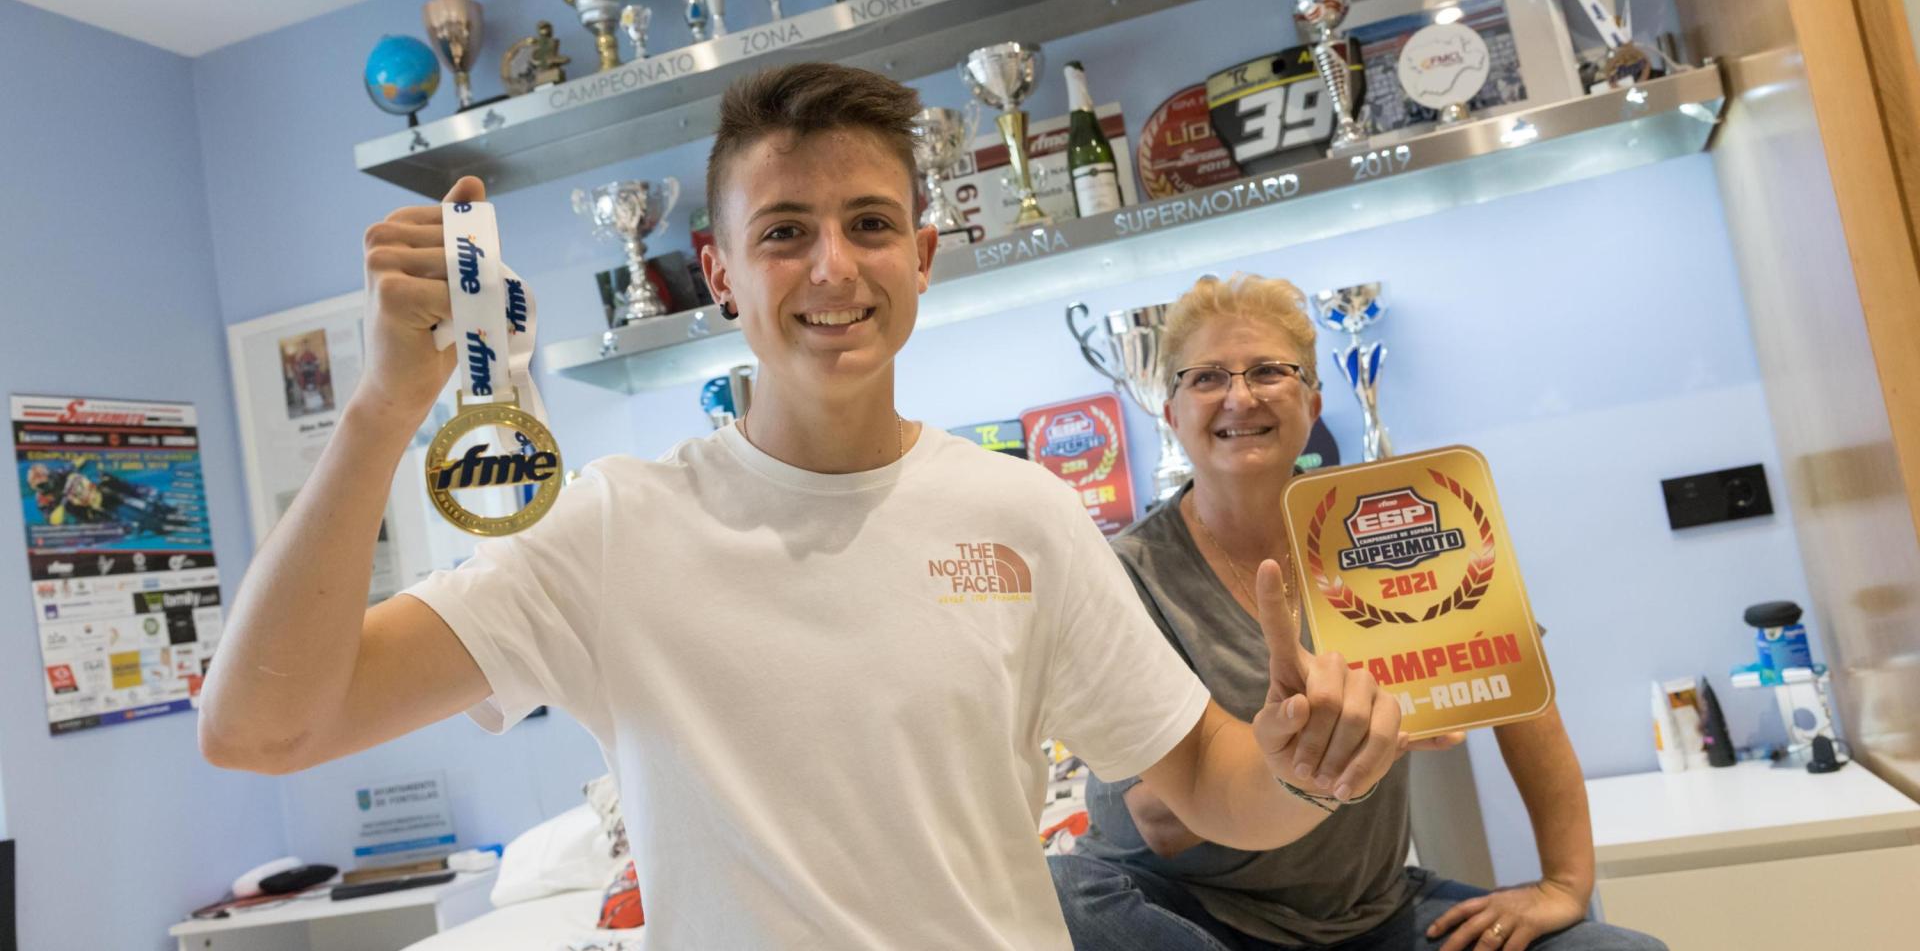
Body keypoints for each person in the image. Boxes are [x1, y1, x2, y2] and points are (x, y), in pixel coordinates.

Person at [199, 64, 1411, 948]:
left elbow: (1208, 782)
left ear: (922, 258)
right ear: (721, 275)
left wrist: (1304, 772)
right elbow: (261, 730)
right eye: (785, 231)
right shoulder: (614, 531)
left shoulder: (1023, 515)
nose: (833, 266)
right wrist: (378, 413)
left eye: (869, 224)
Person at [1049, 274, 1666, 951]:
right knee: (1061, 892)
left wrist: (1564, 885)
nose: (1239, 396)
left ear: (1312, 402)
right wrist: (1324, 753)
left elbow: (1520, 690)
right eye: (1205, 378)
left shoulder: (1383, 525)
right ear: (1169, 414)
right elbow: (1159, 820)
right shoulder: (1127, 573)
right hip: (1189, 918)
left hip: (1370, 917)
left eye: (1268, 372)